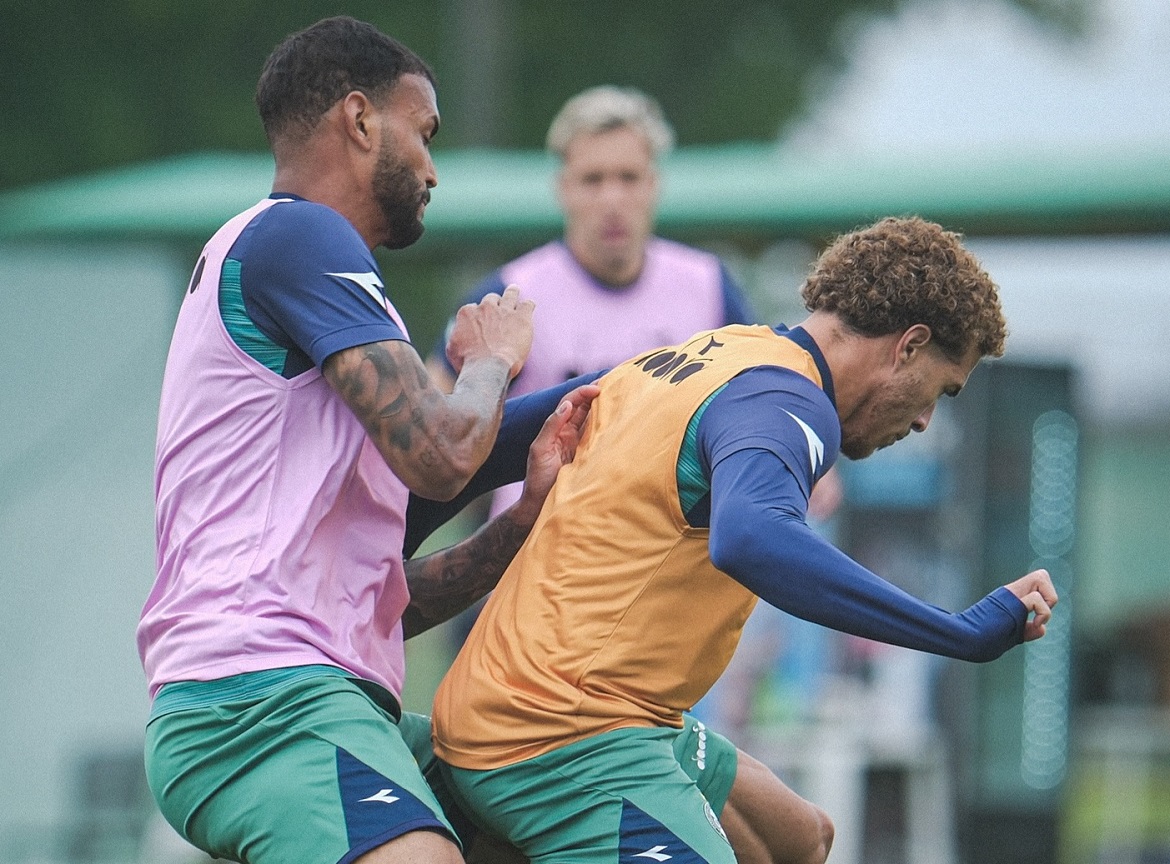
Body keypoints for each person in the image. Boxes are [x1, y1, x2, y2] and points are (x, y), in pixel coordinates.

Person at [428, 216, 1059, 864]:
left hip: (563, 711)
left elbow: (468, 453)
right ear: (908, 345)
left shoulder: (705, 354)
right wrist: (957, 632)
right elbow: (752, 538)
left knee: (799, 840)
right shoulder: (789, 401)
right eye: (940, 389)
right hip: (560, 734)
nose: (926, 419)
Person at [136, 17, 598, 864]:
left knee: (580, 808)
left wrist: (522, 521)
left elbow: (385, 600)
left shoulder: (312, 281)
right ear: (359, 120)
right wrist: (494, 363)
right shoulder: (300, 235)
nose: (431, 169)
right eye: (423, 134)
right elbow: (447, 454)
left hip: (314, 696)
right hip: (259, 702)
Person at [426, 84, 756, 517]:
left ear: (654, 184)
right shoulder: (510, 294)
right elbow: (431, 416)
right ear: (563, 187)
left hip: (669, 558)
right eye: (593, 180)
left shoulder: (709, 286)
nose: (612, 200)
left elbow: (760, 400)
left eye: (628, 178)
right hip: (536, 559)